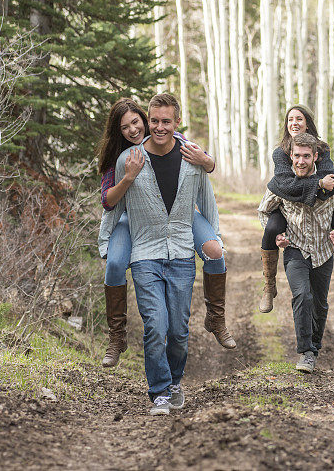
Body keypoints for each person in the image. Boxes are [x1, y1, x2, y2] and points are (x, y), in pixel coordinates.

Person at [96, 97, 235, 372]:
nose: (133, 130)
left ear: (144, 120)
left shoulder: (167, 136)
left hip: (178, 218)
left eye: (137, 122)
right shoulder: (118, 156)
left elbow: (203, 163)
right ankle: (116, 335)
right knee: (114, 263)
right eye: (125, 127)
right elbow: (108, 202)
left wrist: (207, 160)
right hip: (132, 215)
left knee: (215, 250)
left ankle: (216, 317)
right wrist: (128, 176)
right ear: (118, 131)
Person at [258, 132, 334, 373]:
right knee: (303, 295)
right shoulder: (283, 184)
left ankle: (315, 346)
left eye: (306, 156)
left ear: (316, 157)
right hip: (295, 249)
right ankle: (306, 353)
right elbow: (263, 211)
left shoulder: (331, 182)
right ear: (290, 156)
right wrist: (277, 235)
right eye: (296, 156)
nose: (300, 161)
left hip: (323, 250)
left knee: (320, 304)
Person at [258, 104, 334, 313]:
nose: (294, 123)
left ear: (308, 124)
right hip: (287, 201)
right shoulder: (281, 152)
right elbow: (286, 184)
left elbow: (331, 178)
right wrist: (318, 185)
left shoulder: (321, 148)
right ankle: (269, 287)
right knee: (271, 229)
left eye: (299, 119)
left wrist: (325, 188)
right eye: (290, 119)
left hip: (322, 202)